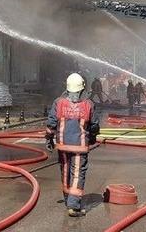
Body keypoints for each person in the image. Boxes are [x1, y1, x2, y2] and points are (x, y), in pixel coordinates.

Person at [45, 73, 100, 218]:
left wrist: (49, 139)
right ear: (82, 88)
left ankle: (67, 199)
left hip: (62, 145)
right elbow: (94, 125)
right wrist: (93, 138)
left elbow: (51, 123)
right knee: (77, 174)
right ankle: (73, 205)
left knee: (65, 171)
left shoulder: (59, 102)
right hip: (79, 146)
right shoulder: (88, 104)